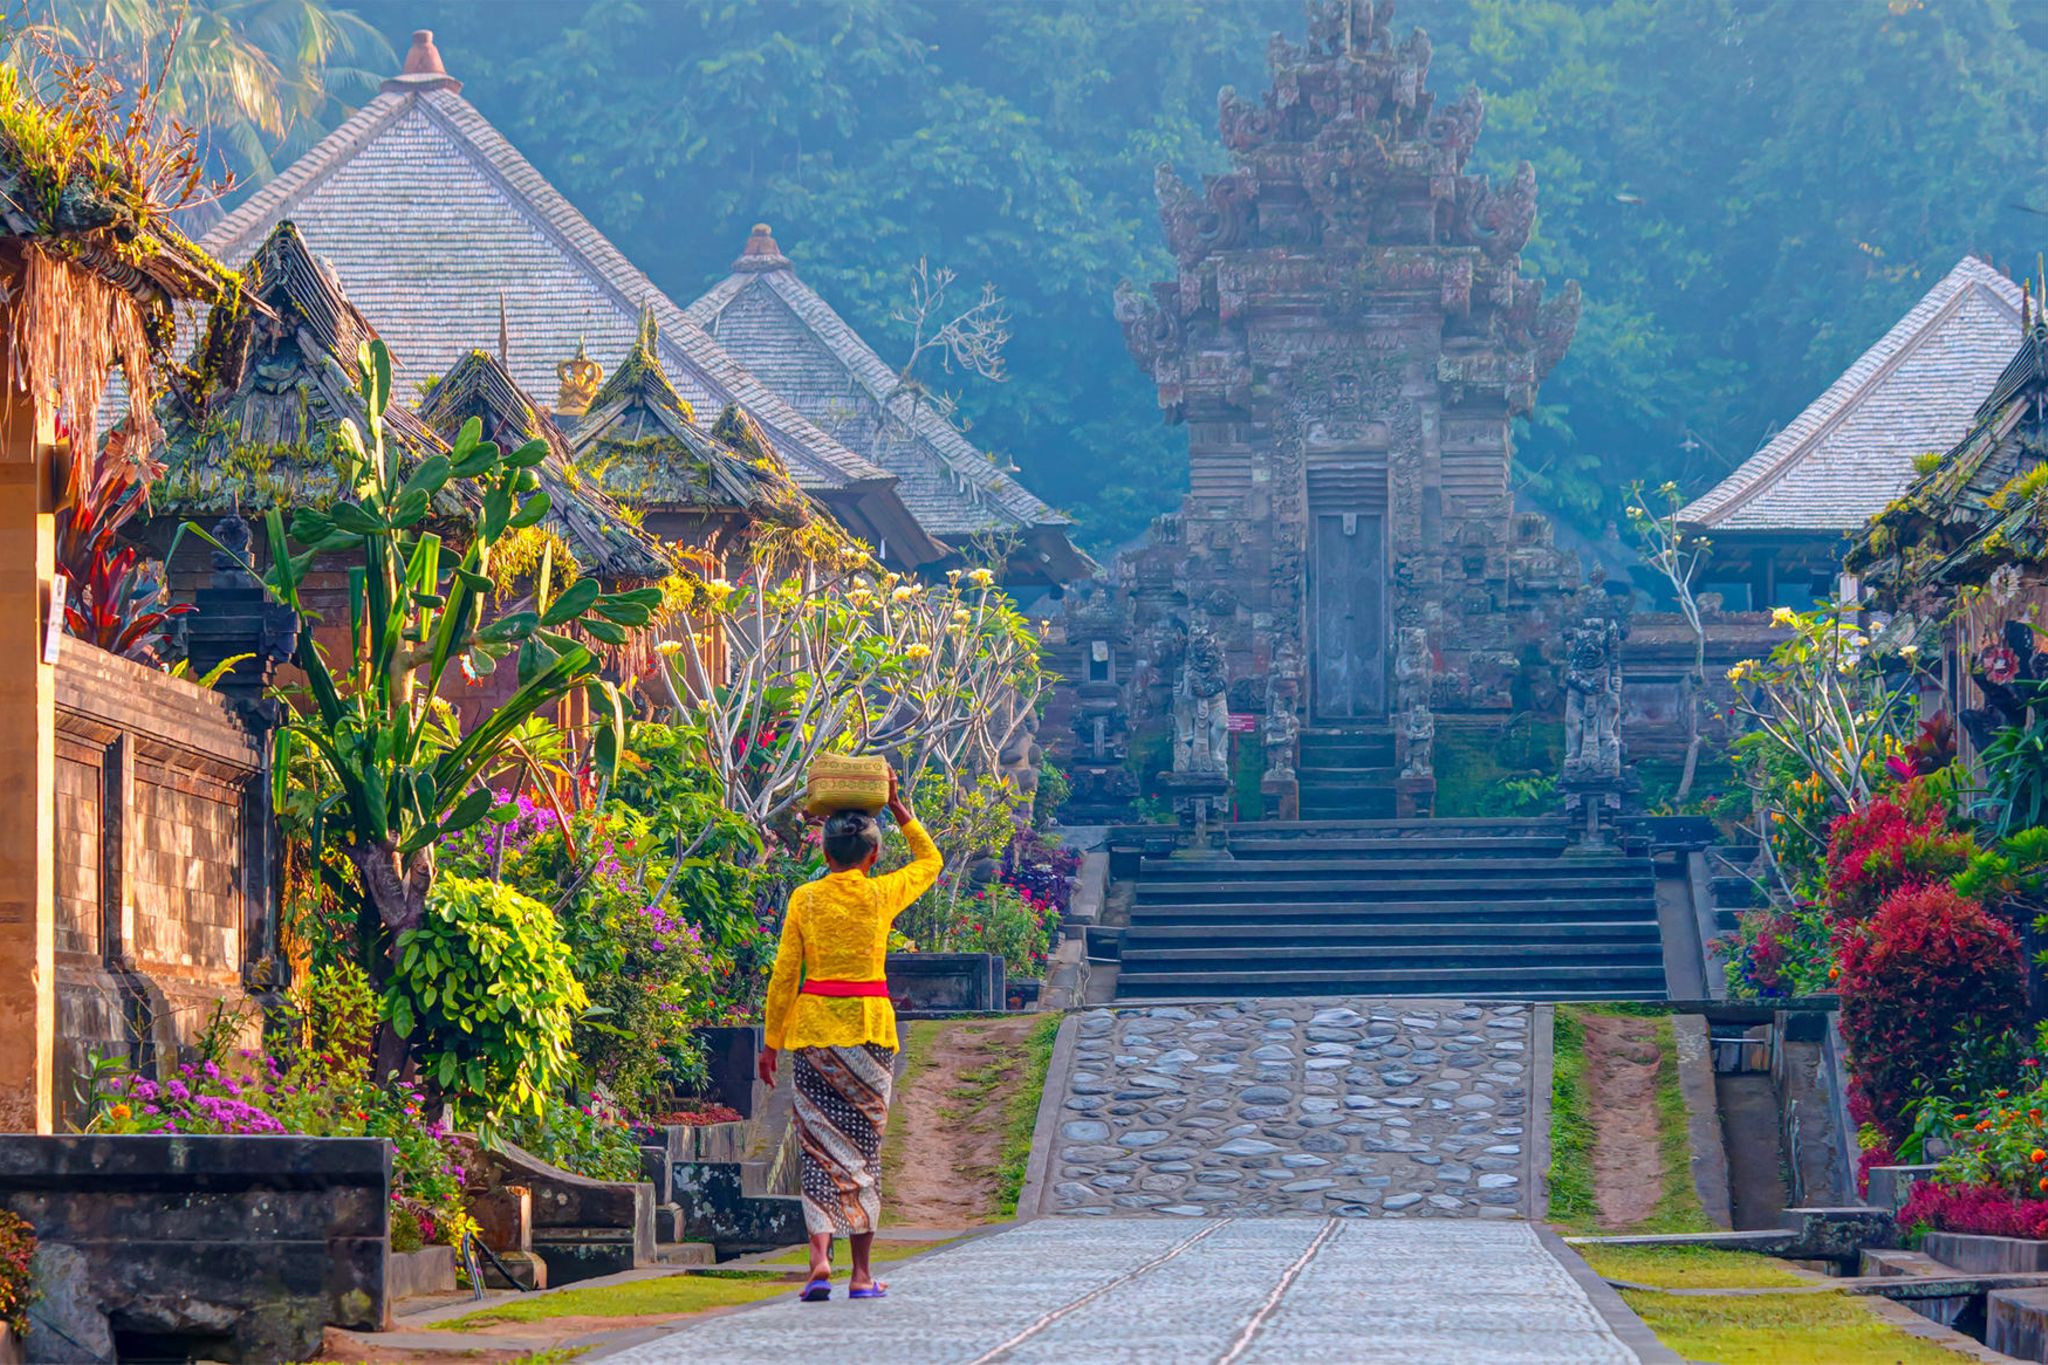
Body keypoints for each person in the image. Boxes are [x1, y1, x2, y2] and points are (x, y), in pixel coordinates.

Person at [758, 770, 941, 1302]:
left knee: (816, 1147)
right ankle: (861, 1274)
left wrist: (771, 1044)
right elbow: (930, 862)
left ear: (826, 851)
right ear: (873, 856)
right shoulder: (881, 894)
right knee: (862, 1150)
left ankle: (818, 1258)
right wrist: (901, 808)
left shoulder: (805, 899)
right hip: (868, 1031)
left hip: (814, 1031)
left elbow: (783, 974)